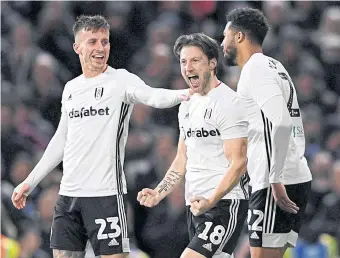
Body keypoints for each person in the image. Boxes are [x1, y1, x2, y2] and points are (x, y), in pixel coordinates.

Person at [11, 15, 191, 258]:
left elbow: (153, 96)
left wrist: (187, 93)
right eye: (93, 41)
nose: (100, 48)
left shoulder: (121, 80)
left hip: (105, 194)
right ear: (77, 47)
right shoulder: (71, 89)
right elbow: (60, 141)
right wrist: (29, 182)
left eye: (104, 42)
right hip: (69, 195)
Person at [137, 33, 249, 258]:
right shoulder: (187, 105)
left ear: (212, 63)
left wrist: (211, 201)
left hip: (224, 204)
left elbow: (239, 163)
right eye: (183, 62)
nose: (188, 67)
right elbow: (182, 159)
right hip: (195, 205)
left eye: (195, 60)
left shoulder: (229, 103)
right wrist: (159, 193)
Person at [221, 8, 312, 258]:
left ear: (239, 37)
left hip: (276, 181)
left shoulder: (256, 69)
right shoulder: (274, 66)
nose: (222, 43)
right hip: (288, 174)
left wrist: (275, 177)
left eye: (225, 36)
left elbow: (281, 122)